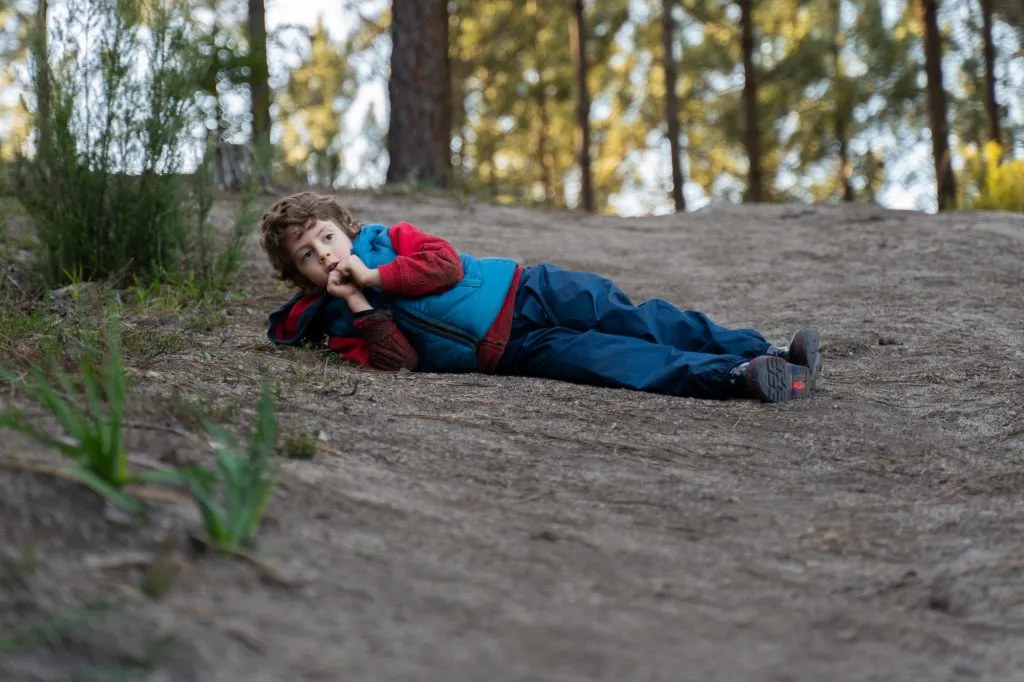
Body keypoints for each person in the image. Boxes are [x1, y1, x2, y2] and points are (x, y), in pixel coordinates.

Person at [259, 192, 821, 403]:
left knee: (638, 320)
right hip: (513, 350)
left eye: (327, 237)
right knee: (619, 361)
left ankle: (767, 348)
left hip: (530, 288)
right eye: (308, 255)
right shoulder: (339, 324)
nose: (326, 255)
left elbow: (444, 266)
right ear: (301, 276)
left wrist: (374, 277)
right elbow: (399, 364)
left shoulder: (388, 241)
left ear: (346, 229)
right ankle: (741, 375)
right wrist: (360, 305)